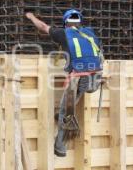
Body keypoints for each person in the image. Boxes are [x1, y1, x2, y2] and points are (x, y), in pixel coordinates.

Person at [26, 9, 103, 157]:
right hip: (96, 79)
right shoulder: (90, 33)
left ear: (65, 23)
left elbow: (42, 27)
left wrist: (31, 17)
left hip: (80, 79)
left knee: (66, 112)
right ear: (79, 21)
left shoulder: (64, 33)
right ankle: (60, 115)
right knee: (72, 99)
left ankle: (60, 147)